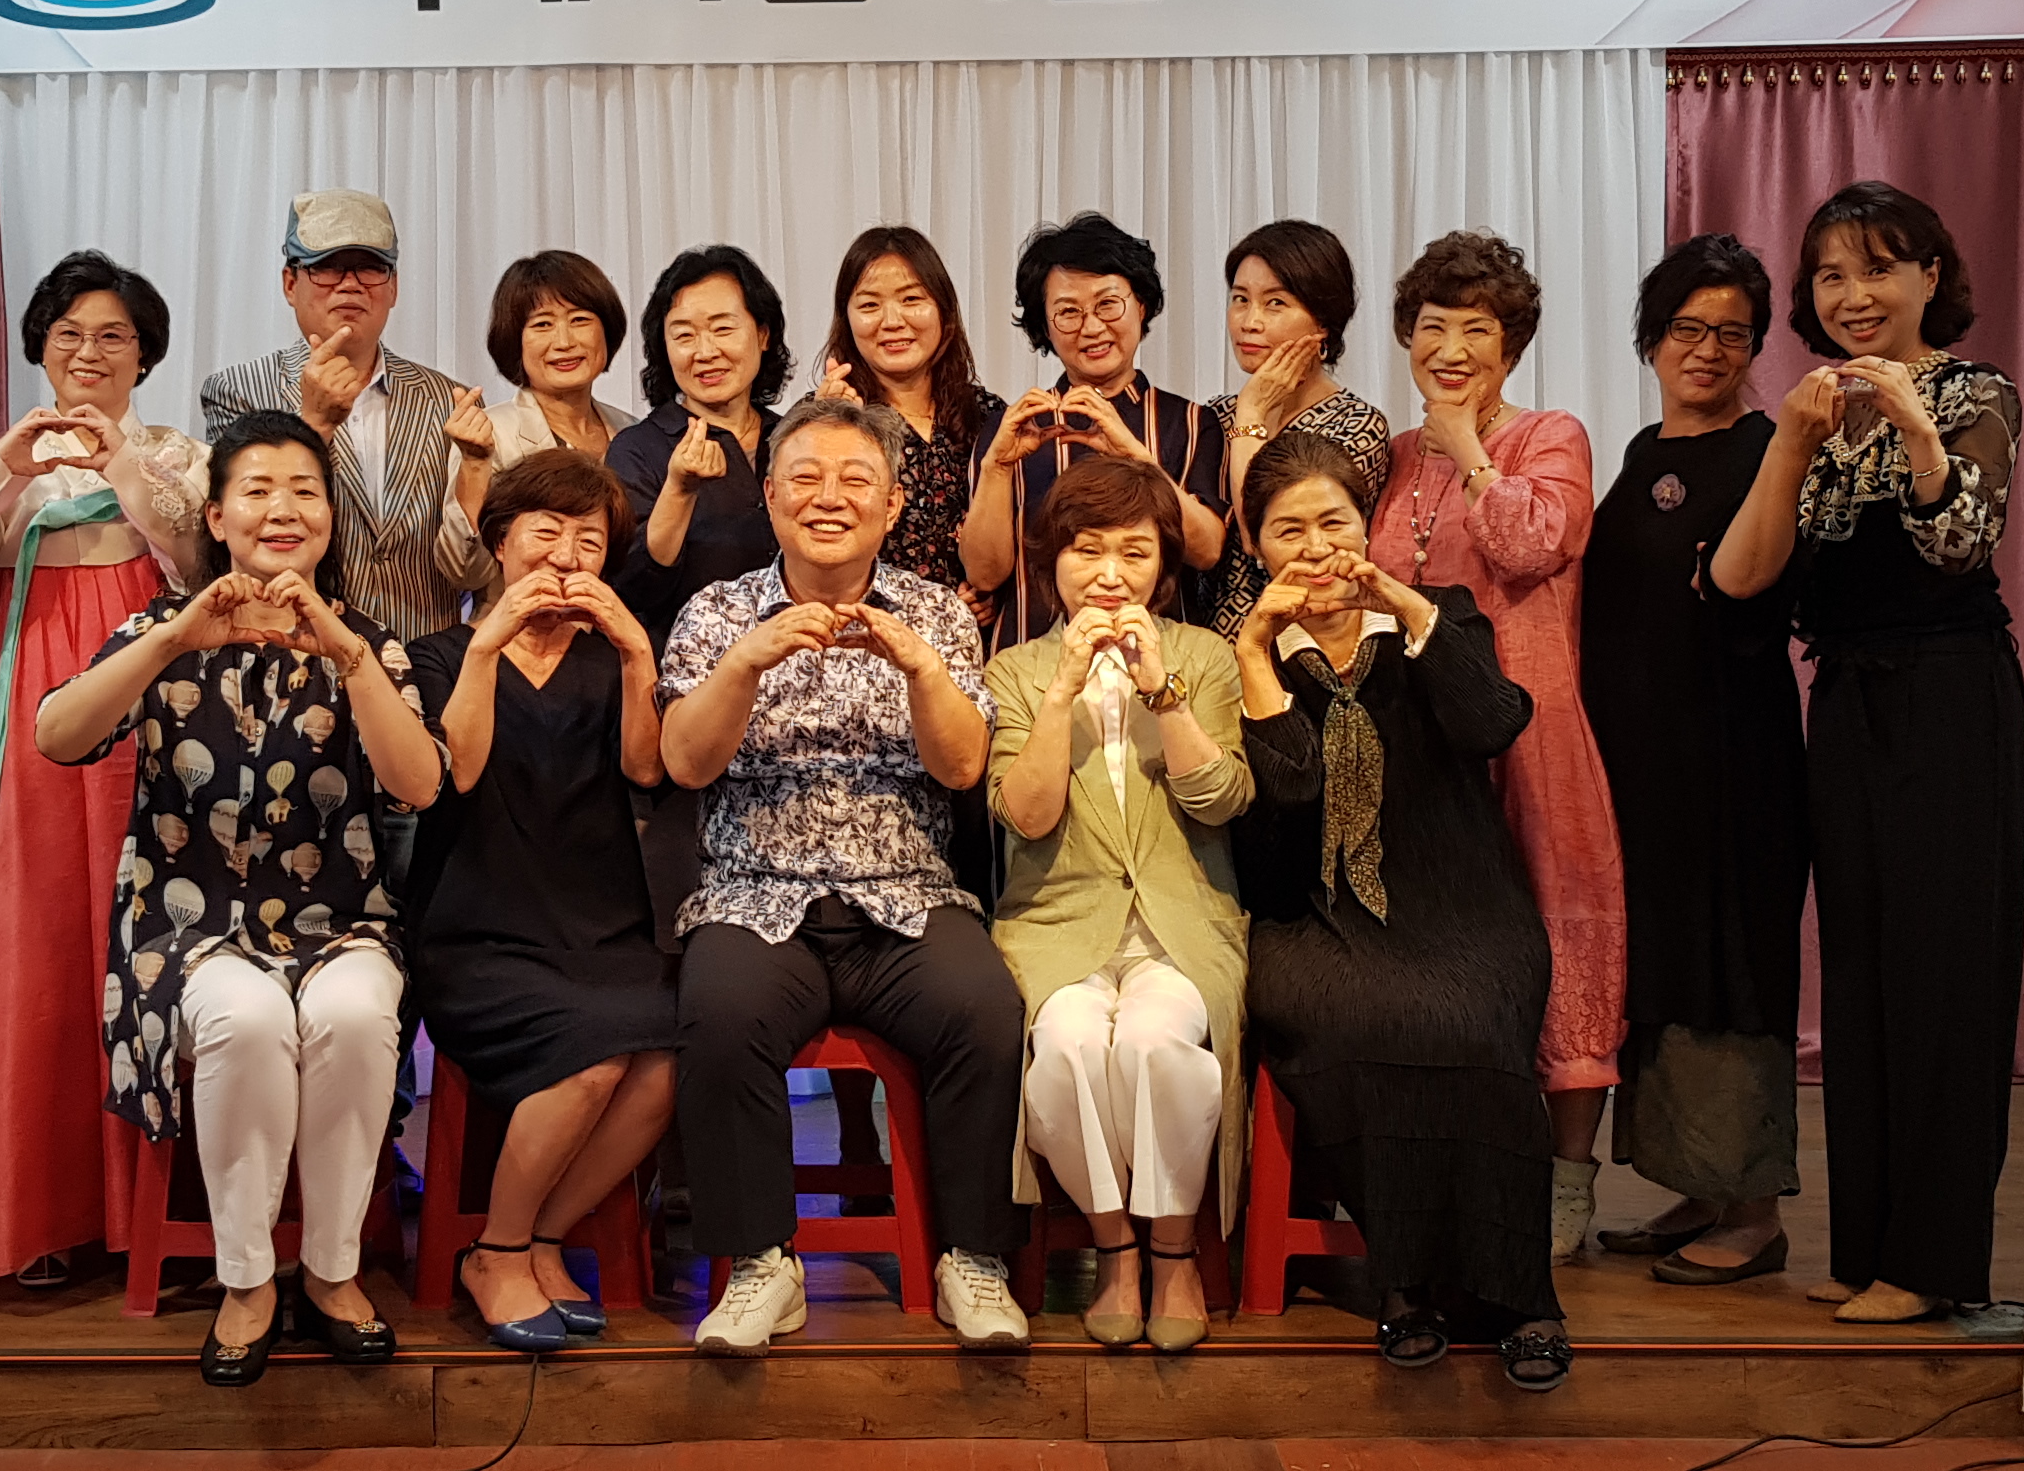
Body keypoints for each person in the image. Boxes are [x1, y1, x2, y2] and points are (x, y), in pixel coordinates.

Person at [36, 410, 445, 1388]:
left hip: (339, 920)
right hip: (187, 926)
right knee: (247, 1019)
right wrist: (174, 639)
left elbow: (419, 784)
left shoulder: (365, 641)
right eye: (257, 490)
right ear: (217, 517)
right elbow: (58, 735)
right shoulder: (162, 631)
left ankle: (334, 1271)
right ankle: (249, 1279)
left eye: (304, 490)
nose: (283, 509)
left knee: (355, 1015)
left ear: (330, 519)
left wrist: (345, 655)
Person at [1708, 183, 2024, 1328]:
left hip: (1951, 702)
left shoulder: (1978, 392)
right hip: (1844, 704)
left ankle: (1933, 1260)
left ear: (1931, 276)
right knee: (1857, 975)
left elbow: (1961, 542)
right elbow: (1741, 580)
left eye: (1879, 268)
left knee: (1944, 975)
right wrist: (1794, 442)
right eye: (1832, 274)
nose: (1853, 295)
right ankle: (1867, 1247)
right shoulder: (1813, 411)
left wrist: (1916, 427)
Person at [660, 400, 1026, 1356]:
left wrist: (921, 668)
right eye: (806, 478)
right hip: (755, 892)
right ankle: (760, 1265)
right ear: (771, 496)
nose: (830, 497)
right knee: (719, 1011)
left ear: (893, 503)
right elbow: (684, 763)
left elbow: (962, 767)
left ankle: (973, 1258)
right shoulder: (716, 613)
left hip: (905, 893)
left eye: (856, 479)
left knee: (986, 1008)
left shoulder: (936, 611)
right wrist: (743, 665)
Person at [0, 252, 207, 1287]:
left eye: (113, 336)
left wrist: (122, 467)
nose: (89, 353)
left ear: (145, 353)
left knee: (143, 938)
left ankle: (155, 1216)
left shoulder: (180, 456)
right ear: (40, 348)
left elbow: (200, 557)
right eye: (69, 335)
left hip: (148, 700)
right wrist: (4, 469)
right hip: (21, 706)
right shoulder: (6, 462)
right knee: (22, 945)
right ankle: (32, 1217)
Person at [1231, 431, 1570, 1390]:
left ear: (1367, 527)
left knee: (1470, 1022)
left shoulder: (1439, 617)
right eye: (1287, 530)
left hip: (1461, 902)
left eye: (1333, 523)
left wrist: (1407, 605)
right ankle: (1405, 1283)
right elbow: (1289, 800)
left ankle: (1521, 1293)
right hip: (1313, 914)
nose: (1315, 548)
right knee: (1363, 1020)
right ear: (1255, 544)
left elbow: (1493, 723)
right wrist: (1255, 653)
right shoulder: (1248, 655)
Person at [1365, 232, 1628, 1267]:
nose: (1451, 348)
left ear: (1510, 344)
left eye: (1476, 328)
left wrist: (1470, 450)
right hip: (1417, 744)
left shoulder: (1551, 435)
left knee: (1560, 939)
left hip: (1529, 734)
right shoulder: (1391, 455)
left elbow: (1526, 543)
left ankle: (1568, 1177)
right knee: (1439, 957)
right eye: (1432, 327)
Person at [405, 452, 681, 1354]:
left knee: (667, 1060)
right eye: (546, 533)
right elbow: (458, 771)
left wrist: (637, 652)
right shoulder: (437, 656)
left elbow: (647, 769)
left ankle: (541, 1238)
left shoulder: (610, 659)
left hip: (600, 923)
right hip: (477, 928)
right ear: (500, 542)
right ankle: (495, 1250)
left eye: (589, 542)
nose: (565, 557)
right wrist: (488, 643)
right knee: (593, 1060)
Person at [1581, 236, 1812, 1287]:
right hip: (1641, 762)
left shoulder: (1769, 449)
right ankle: (1702, 1186)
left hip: (1731, 761)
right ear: (1652, 338)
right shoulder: (1643, 453)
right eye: (1688, 328)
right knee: (1665, 965)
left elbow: (1750, 588)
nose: (1708, 350)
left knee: (1731, 966)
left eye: (1733, 333)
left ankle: (1754, 1211)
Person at [984, 458, 1253, 1354]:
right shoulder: (1016, 671)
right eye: (1086, 549)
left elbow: (1221, 802)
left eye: (1133, 553)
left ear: (1163, 566)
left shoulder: (1203, 655)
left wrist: (1160, 689)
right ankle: (1116, 1249)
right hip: (1056, 926)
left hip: (1182, 923)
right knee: (1065, 1047)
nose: (1108, 573)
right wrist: (1063, 688)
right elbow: (1026, 815)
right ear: (1050, 561)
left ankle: (1173, 1251)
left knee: (1154, 1043)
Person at [201, 189, 486, 640]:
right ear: (290, 283)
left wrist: (477, 468)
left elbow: (468, 567)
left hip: (425, 652)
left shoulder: (446, 398)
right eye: (328, 267)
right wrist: (314, 424)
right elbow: (235, 540)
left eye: (370, 268)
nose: (350, 284)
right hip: (298, 650)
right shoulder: (238, 390)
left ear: (393, 287)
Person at [965, 214, 1229, 642]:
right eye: (1068, 312)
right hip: (1029, 662)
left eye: (1108, 304)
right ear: (1044, 326)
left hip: (1159, 660)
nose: (1091, 327)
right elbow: (984, 574)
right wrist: (996, 467)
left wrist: (1134, 454)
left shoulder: (1192, 423)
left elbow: (1207, 551)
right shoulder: (1011, 428)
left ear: (1141, 305)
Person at [1201, 222, 1393, 634]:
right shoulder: (1214, 415)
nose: (1250, 321)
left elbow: (1257, 538)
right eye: (1240, 299)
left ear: (1322, 322)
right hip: (1208, 646)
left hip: (1301, 640)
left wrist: (1251, 414)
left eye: (1275, 303)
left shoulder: (1357, 424)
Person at [606, 245, 791, 643]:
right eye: (684, 335)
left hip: (802, 660)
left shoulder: (792, 436)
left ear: (762, 335)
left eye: (723, 329)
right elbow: (632, 589)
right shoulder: (638, 449)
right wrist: (679, 490)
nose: (705, 352)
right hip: (689, 664)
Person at [437, 252, 638, 611]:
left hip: (620, 628)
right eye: (542, 324)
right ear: (514, 341)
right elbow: (465, 572)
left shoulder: (632, 432)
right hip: (521, 631)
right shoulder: (492, 432)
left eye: (579, 320)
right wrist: (475, 464)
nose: (564, 341)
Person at [813, 225, 1007, 596]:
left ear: (943, 310)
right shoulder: (823, 416)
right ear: (846, 319)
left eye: (911, 299)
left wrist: (993, 598)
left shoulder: (987, 415)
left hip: (974, 627)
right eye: (869, 305)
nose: (892, 321)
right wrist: (828, 434)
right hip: (865, 621)